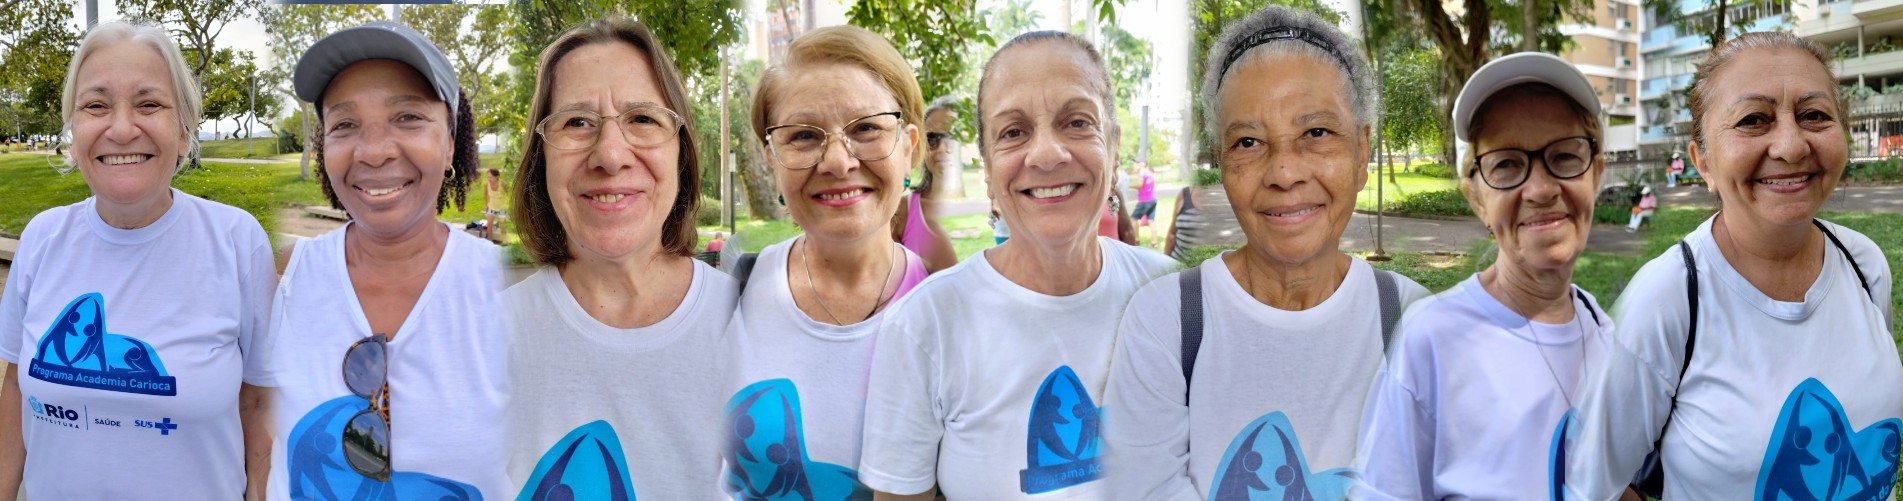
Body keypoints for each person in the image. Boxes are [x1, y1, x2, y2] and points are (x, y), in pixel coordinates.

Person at [1100, 8, 1431, 499]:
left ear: (1362, 154)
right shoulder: (1165, 323)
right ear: (1223, 160)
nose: (1284, 172)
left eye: (1316, 133)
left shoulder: (1416, 325)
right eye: (1249, 141)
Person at [1565, 32, 1899, 500]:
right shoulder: (1665, 300)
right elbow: (1592, 478)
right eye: (1753, 119)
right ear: (1702, 160)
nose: (1791, 145)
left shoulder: (1865, 266)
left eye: (1814, 115)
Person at [858, 31, 1176, 500]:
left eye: (1076, 122)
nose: (1047, 154)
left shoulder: (1173, 297)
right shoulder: (926, 325)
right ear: (987, 169)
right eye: (1013, 132)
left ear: (1112, 146)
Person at [0, 21, 273, 499]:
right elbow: (15, 391)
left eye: (149, 104)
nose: (122, 129)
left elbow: (258, 404)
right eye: (96, 106)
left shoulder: (236, 241)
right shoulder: (43, 239)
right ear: (73, 131)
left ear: (184, 132)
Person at [1352, 52, 1615, 500]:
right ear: (1476, 198)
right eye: (1507, 164)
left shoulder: (1603, 332)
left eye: (1565, 156)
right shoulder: (1433, 339)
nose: (1540, 189)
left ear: (1596, 174)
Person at [265, 21, 506, 498]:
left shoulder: (510, 290)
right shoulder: (277, 278)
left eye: (408, 117)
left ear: (451, 144)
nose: (373, 152)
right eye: (344, 125)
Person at [500, 16, 736, 499]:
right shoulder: (481, 342)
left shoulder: (753, 323)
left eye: (643, 118)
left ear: (681, 152)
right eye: (577, 122)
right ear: (540, 159)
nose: (610, 154)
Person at [724, 25, 933, 500]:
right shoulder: (729, 293)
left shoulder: (954, 310)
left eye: (866, 128)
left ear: (909, 146)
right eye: (803, 135)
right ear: (772, 157)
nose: (838, 161)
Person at [891, 96, 959, 273]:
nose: (943, 148)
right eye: (933, 139)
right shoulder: (900, 212)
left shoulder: (1006, 207)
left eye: (953, 137)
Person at [1131, 161, 1158, 247]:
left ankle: (1136, 240)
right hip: (1153, 199)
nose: (1134, 166)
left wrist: (1129, 185)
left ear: (1141, 164)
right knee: (1151, 221)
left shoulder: (1142, 172)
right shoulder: (1149, 172)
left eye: (1135, 164)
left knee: (1133, 219)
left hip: (1144, 200)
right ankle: (1154, 242)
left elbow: (1140, 184)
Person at [483, 167, 504, 242]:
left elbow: (508, 195)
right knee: (489, 225)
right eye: (488, 177)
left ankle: (504, 242)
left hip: (502, 207)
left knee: (502, 225)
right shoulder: (487, 184)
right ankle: (490, 242)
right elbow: (485, 194)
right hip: (491, 206)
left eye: (491, 177)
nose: (489, 179)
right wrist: (486, 206)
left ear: (497, 176)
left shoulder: (502, 184)